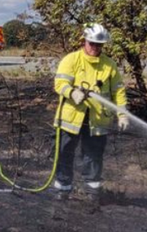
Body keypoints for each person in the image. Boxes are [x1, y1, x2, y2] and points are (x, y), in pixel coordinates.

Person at [53, 23, 129, 205]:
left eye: (99, 45)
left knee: (93, 156)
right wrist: (72, 92)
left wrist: (122, 114)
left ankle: (92, 193)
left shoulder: (109, 65)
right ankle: (62, 191)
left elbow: (118, 91)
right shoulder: (71, 60)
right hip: (71, 117)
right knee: (64, 153)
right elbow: (60, 83)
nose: (95, 48)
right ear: (85, 41)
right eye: (92, 43)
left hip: (98, 119)